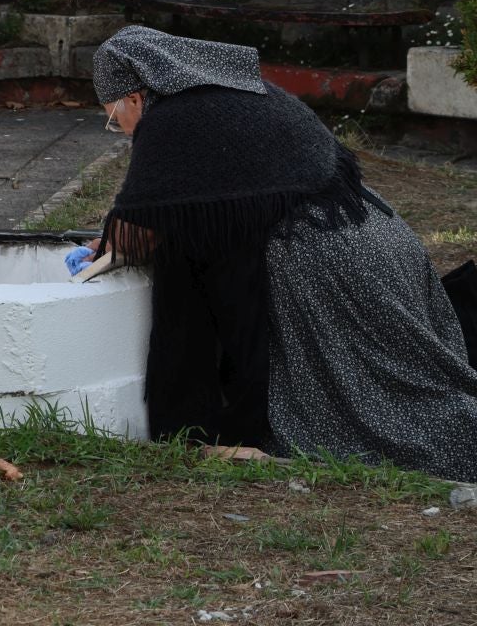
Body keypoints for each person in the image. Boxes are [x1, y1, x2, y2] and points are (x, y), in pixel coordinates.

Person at [85, 25, 477, 478]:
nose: (121, 130)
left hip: (324, 262)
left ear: (133, 96)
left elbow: (138, 235)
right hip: (379, 238)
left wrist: (109, 245)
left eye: (114, 118)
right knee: (401, 375)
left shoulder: (174, 119)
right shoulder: (244, 94)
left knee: (364, 400)